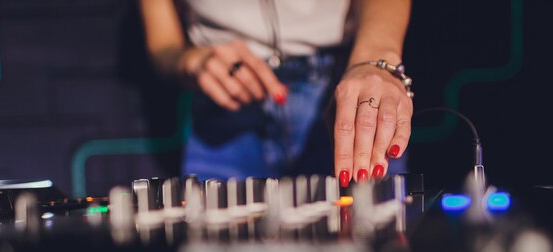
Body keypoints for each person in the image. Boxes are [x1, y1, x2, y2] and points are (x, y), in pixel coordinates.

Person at [139, 0, 413, 188]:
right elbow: (163, 46)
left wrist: (374, 60)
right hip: (224, 102)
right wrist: (189, 61)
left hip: (341, 90)